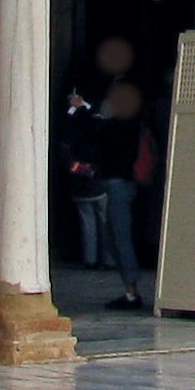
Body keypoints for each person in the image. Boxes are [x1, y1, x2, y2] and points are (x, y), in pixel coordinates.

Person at [61, 77, 152, 308]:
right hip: (120, 183)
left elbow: (95, 131)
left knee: (119, 237)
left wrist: (81, 109)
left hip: (119, 183)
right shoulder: (127, 122)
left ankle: (131, 292)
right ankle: (130, 289)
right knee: (114, 236)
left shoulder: (123, 123)